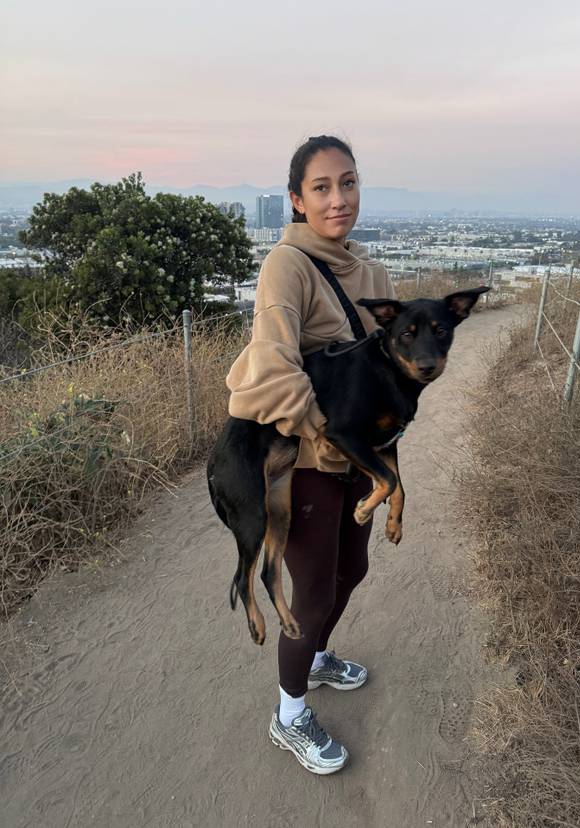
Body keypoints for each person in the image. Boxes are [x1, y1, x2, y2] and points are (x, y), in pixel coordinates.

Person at [225, 135, 396, 775]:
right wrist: (333, 429)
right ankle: (288, 715)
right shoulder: (287, 266)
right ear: (296, 200)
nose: (338, 199)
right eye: (321, 188)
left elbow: (385, 364)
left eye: (348, 183)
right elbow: (272, 369)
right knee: (314, 590)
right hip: (302, 463)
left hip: (356, 461)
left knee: (353, 570)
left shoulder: (371, 271)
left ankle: (316, 659)